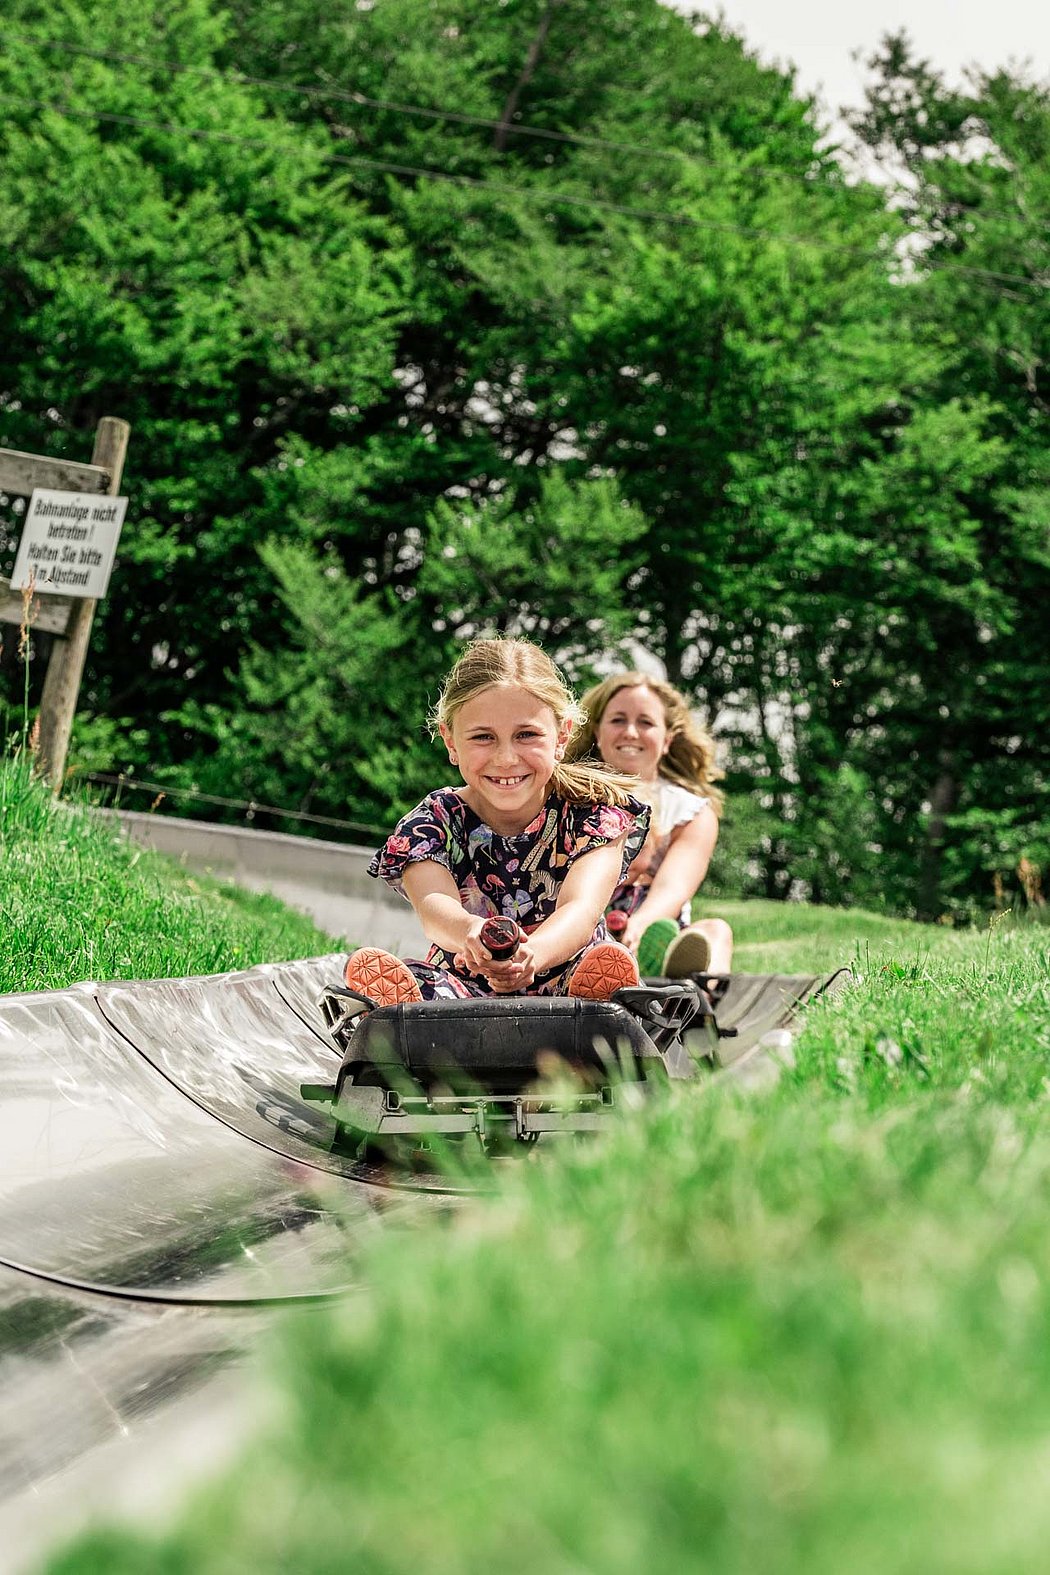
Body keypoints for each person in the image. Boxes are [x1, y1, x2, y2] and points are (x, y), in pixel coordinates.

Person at [344, 638, 651, 1006]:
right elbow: (435, 909)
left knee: (601, 966)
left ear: (562, 735)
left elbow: (580, 909)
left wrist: (532, 955)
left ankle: (597, 1009)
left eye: (527, 735)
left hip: (567, 971)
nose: (506, 758)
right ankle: (403, 1011)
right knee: (429, 983)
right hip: (465, 981)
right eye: (483, 738)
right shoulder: (432, 823)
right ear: (450, 741)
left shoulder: (594, 814)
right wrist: (471, 932)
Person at [569, 671, 733, 977]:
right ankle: (601, 966)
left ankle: (692, 988)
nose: (631, 732)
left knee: (716, 931)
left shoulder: (691, 811)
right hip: (584, 924)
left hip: (654, 926)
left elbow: (674, 886)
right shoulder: (568, 798)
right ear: (597, 732)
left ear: (667, 739)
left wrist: (640, 926)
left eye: (645, 722)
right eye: (618, 720)